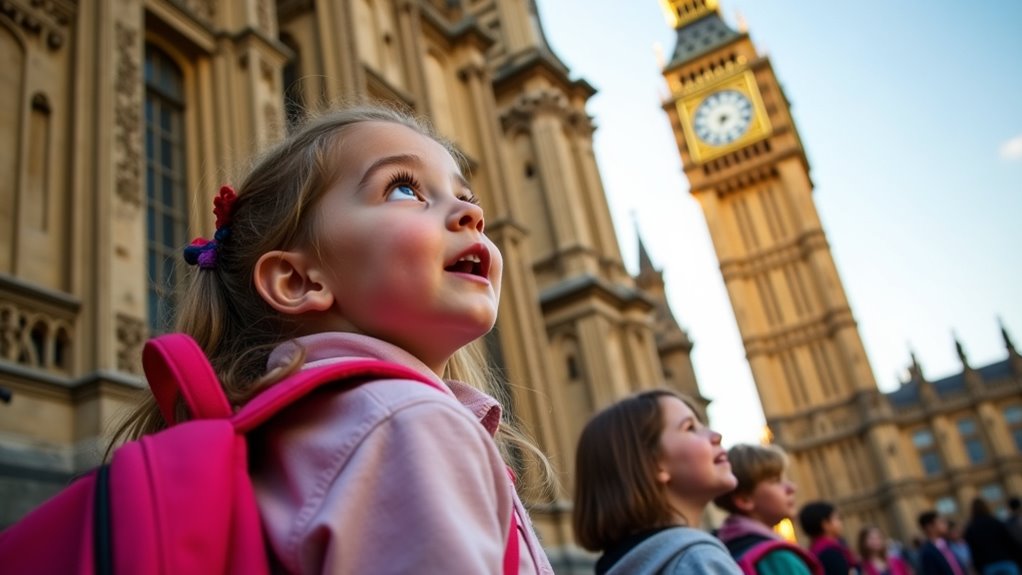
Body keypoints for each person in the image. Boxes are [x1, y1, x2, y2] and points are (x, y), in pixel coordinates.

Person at [109, 104, 553, 573]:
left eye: (468, 198)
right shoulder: (407, 422)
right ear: (298, 280)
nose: (471, 215)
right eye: (404, 189)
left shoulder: (308, 428)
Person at [573, 389, 742, 574]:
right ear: (653, 464)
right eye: (690, 427)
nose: (716, 435)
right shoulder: (698, 561)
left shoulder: (620, 564)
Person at [714, 443, 823, 574]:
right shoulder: (779, 559)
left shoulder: (722, 550)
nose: (792, 488)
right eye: (776, 481)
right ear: (744, 500)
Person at [963, 497, 1022, 575]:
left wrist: (978, 568)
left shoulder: (970, 529)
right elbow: (1010, 542)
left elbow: (972, 551)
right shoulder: (996, 522)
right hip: (1006, 561)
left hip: (988, 566)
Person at [799, 500, 859, 575]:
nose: (840, 522)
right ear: (825, 524)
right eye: (837, 518)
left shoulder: (816, 549)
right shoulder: (830, 553)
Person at [917, 510, 967, 575]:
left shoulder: (947, 544)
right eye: (941, 522)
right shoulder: (927, 553)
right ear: (929, 527)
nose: (945, 525)